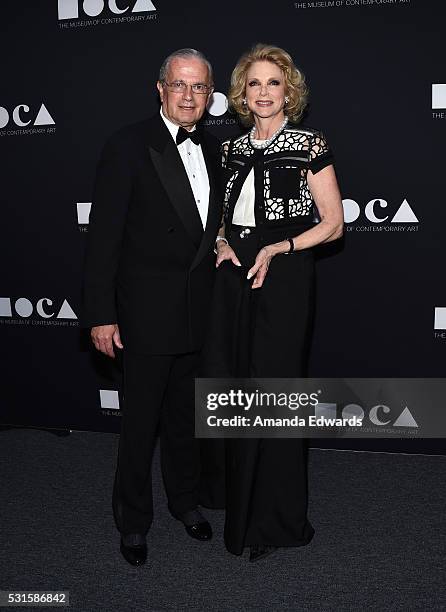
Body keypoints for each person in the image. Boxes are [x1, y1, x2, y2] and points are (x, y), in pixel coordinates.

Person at [82, 48, 223, 566]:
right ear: (160, 89)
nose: (189, 96)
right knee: (140, 426)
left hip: (198, 311)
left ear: (211, 95)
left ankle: (185, 502)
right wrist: (100, 312)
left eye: (199, 87)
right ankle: (134, 520)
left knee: (186, 422)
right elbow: (103, 239)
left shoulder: (215, 149)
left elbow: (210, 228)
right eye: (179, 85)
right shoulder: (127, 145)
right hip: (143, 313)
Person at [207, 43, 344, 562]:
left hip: (284, 276)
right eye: (254, 83)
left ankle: (275, 520)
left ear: (290, 90)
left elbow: (333, 224)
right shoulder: (232, 150)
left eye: (273, 83)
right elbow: (223, 214)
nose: (263, 92)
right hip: (235, 275)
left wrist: (279, 246)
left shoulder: (309, 144)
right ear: (243, 93)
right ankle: (238, 505)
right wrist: (222, 241)